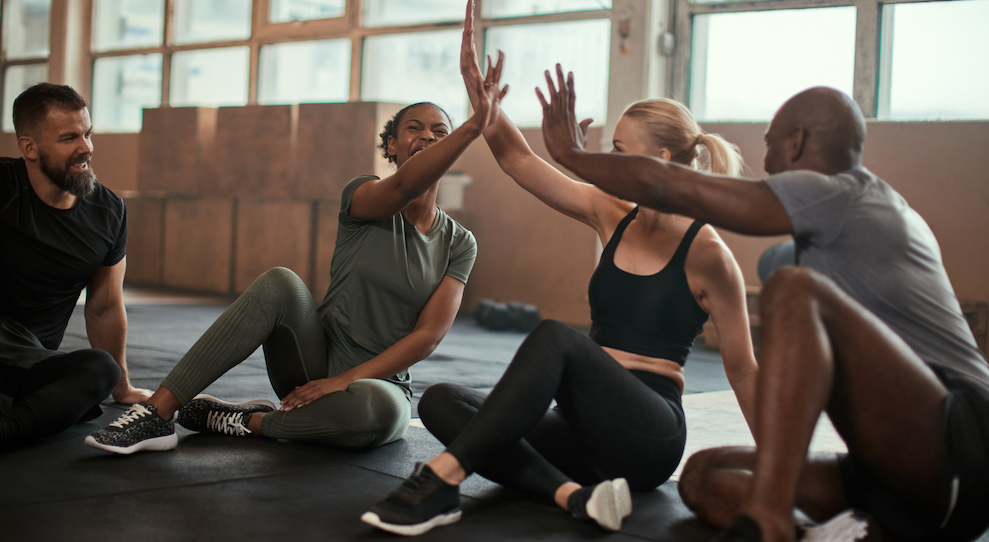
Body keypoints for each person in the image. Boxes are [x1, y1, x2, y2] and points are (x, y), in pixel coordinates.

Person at [536, 72, 989, 542]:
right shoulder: (856, 211)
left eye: (771, 145)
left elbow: (674, 187)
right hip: (896, 480)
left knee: (792, 287)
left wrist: (573, 156)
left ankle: (768, 519)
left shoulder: (841, 192)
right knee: (704, 477)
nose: (768, 163)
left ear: (797, 142)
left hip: (962, 441)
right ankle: (843, 533)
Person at [361, 3, 759, 535]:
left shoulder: (708, 253)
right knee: (443, 401)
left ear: (660, 161)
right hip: (582, 430)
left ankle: (439, 481)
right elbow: (519, 160)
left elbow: (745, 371)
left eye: (618, 150)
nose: (604, 158)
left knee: (558, 338)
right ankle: (574, 496)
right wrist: (478, 97)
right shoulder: (610, 211)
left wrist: (780, 477)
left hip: (648, 435)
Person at [84, 51, 503, 454]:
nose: (428, 136)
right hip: (311, 362)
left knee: (378, 414)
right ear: (391, 145)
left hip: (378, 385)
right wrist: (472, 126)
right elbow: (405, 188)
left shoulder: (459, 242)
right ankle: (157, 414)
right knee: (280, 282)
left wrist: (347, 381)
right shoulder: (364, 195)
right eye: (414, 128)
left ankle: (243, 422)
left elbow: (428, 336)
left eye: (440, 132)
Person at [0, 83, 151, 464]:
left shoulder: (109, 211)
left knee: (101, 370)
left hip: (28, 368)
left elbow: (105, 307)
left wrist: (123, 388)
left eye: (87, 134)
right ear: (29, 148)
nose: (86, 148)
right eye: (69, 138)